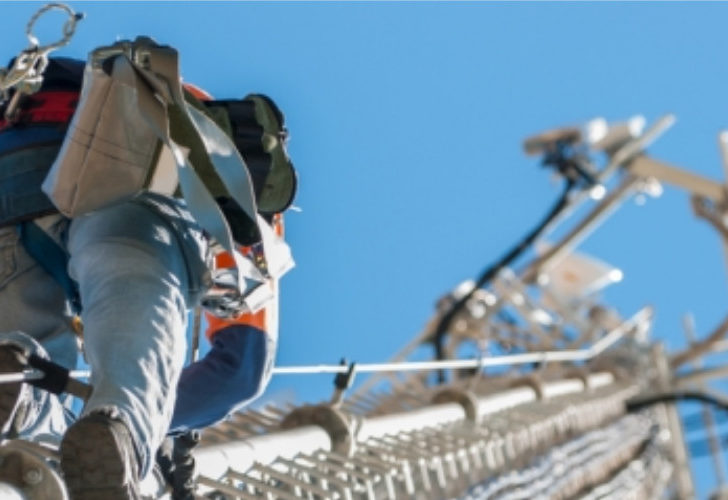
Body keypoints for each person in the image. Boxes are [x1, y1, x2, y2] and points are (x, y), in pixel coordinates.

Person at [0, 52, 293, 500]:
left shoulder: (66, 87)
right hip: (131, 196)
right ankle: (120, 428)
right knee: (131, 295)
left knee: (22, 372)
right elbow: (241, 366)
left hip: (11, 186)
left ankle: (25, 396)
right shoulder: (228, 171)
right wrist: (153, 421)